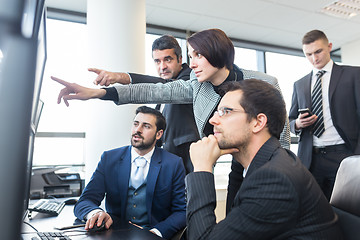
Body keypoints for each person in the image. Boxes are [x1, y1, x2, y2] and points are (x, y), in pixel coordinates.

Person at [52, 28, 291, 211]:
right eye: (190, 56)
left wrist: (287, 168)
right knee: (233, 215)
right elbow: (155, 91)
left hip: (267, 163)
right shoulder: (198, 87)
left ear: (217, 52)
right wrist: (98, 93)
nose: (193, 63)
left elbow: (282, 134)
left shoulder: (264, 82)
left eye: (198, 55)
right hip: (236, 164)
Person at [185, 79, 342, 240]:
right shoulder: (263, 163)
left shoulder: (275, 178)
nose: (213, 120)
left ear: (258, 122)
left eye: (226, 112)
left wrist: (202, 167)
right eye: (217, 112)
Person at [87, 35, 199, 174]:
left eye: (168, 60)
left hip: (189, 165)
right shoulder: (162, 92)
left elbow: (165, 88)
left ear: (180, 59)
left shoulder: (191, 79)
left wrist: (118, 79)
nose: (162, 66)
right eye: (157, 61)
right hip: (168, 166)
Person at [74, 106, 186, 239]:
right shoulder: (109, 159)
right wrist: (95, 212)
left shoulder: (173, 163)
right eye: (136, 124)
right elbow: (85, 201)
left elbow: (182, 211)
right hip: (115, 234)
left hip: (153, 234)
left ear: (159, 134)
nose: (137, 130)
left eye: (146, 126)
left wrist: (156, 233)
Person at [289, 29, 360, 200]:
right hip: (311, 159)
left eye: (318, 51)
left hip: (345, 154)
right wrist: (298, 124)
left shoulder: (354, 75)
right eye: (309, 54)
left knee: (346, 208)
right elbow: (291, 119)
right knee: (315, 211)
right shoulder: (300, 84)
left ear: (329, 47)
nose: (314, 58)